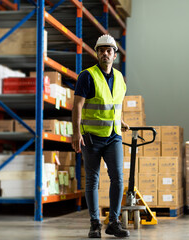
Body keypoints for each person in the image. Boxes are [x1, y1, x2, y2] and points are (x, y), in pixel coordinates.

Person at [72, 34, 130, 238]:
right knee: (92, 180)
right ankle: (94, 223)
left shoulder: (120, 78)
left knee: (118, 178)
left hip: (113, 135)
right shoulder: (87, 76)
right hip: (91, 137)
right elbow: (77, 106)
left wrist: (120, 121)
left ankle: (113, 222)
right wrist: (76, 132)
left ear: (114, 55)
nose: (105, 53)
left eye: (109, 50)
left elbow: (115, 103)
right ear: (97, 53)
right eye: (101, 50)